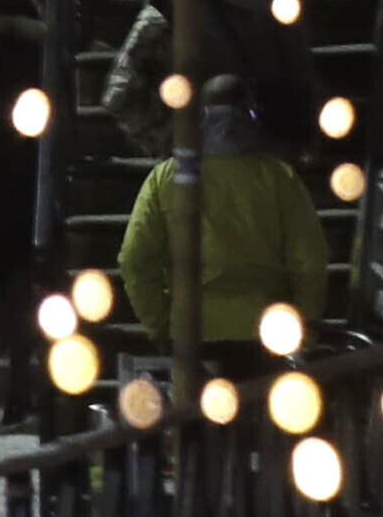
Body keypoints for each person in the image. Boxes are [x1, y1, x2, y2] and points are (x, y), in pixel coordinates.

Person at [115, 72, 325, 363]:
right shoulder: (278, 177)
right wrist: (305, 329)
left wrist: (161, 325)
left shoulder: (166, 178)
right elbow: (310, 261)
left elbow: (134, 260)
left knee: (191, 409)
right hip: (267, 333)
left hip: (191, 332)